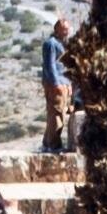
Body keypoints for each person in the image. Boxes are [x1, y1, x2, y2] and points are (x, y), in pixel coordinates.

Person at [39, 17, 75, 152]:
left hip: (64, 82)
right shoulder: (51, 44)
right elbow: (50, 65)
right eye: (64, 29)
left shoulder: (63, 44)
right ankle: (54, 145)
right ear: (57, 30)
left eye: (67, 29)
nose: (67, 32)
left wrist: (69, 84)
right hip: (55, 84)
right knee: (56, 113)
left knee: (57, 112)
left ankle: (47, 142)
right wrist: (56, 84)